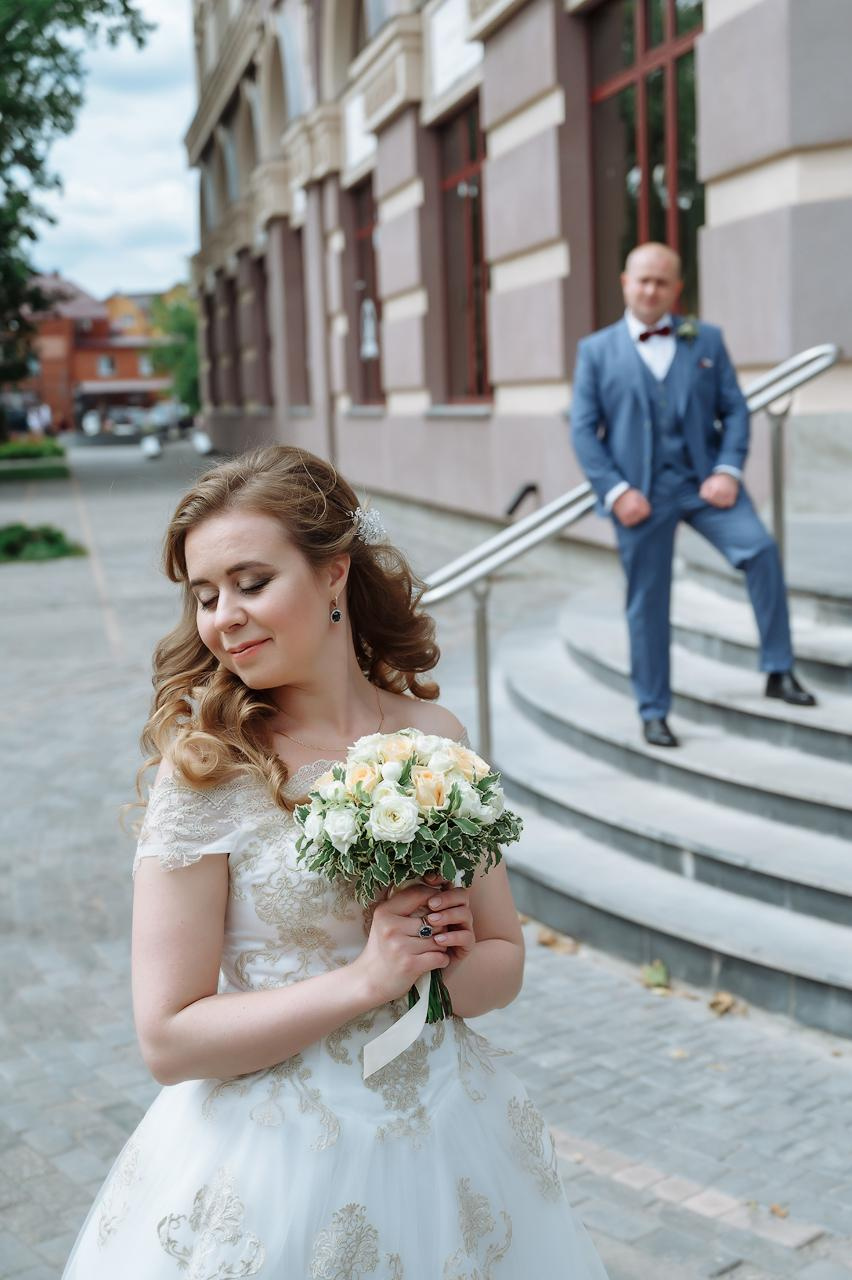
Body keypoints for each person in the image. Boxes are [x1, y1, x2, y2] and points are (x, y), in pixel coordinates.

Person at [62, 445, 609, 1278]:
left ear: (332, 576)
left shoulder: (435, 741)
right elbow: (168, 1039)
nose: (223, 617)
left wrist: (434, 967)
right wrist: (369, 978)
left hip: (444, 1134)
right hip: (276, 1169)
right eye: (205, 596)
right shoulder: (210, 769)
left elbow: (501, 965)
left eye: (250, 582)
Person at [570, 242, 815, 749]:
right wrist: (616, 492)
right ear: (625, 282)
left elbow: (737, 410)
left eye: (662, 282)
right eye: (643, 280)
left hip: (705, 484)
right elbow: (583, 430)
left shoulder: (705, 339)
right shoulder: (596, 350)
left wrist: (727, 470)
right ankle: (654, 709)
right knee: (648, 601)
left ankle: (778, 669)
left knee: (762, 550)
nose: (652, 290)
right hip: (639, 493)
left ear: (677, 289)